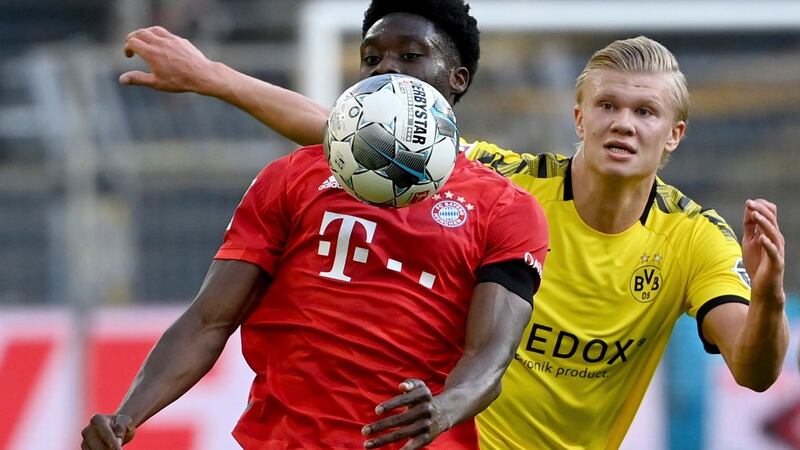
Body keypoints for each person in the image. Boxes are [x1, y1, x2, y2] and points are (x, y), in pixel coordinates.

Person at [114, 2, 789, 449]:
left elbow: (755, 371)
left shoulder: (694, 238)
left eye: (644, 113)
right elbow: (356, 132)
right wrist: (212, 78)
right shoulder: (506, 184)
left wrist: (767, 299)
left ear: (674, 135)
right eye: (608, 105)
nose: (623, 123)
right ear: (580, 118)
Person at [79, 3, 551, 450]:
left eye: (409, 55)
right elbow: (208, 320)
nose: (385, 67)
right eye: (371, 57)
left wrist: (445, 408)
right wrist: (129, 415)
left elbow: (490, 356)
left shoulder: (504, 208)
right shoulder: (291, 177)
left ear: (457, 79)